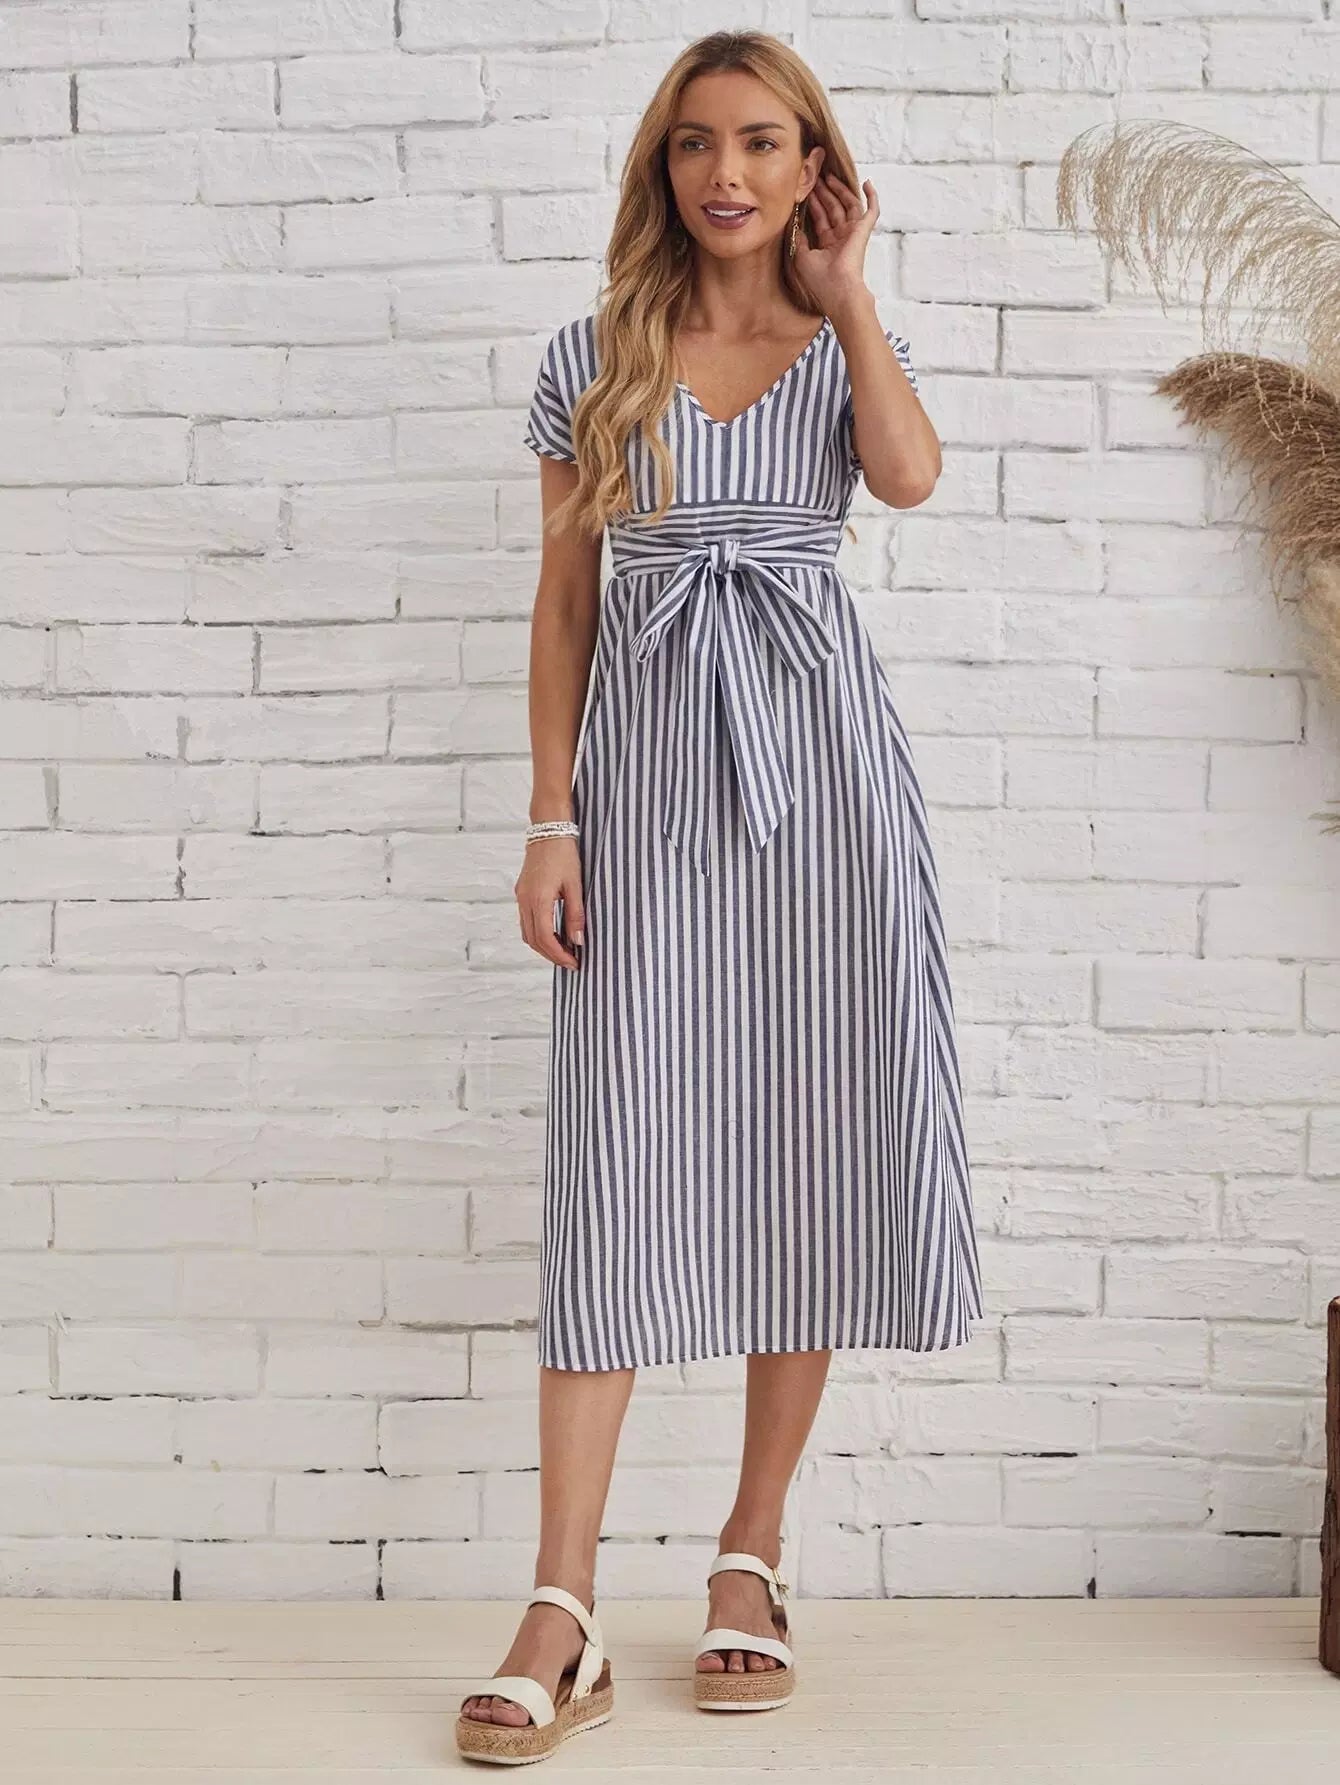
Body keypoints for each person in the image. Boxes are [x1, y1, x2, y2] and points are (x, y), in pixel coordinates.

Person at [456, 27, 985, 1766]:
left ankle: (752, 1548)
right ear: (661, 167)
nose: (728, 173)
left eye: (762, 141)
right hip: (649, 800)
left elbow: (908, 477)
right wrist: (550, 820)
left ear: (813, 167)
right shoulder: (595, 353)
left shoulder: (838, 344)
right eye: (696, 144)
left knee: (811, 1137)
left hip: (824, 790)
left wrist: (850, 297)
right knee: (616, 1164)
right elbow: (564, 607)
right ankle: (564, 1600)